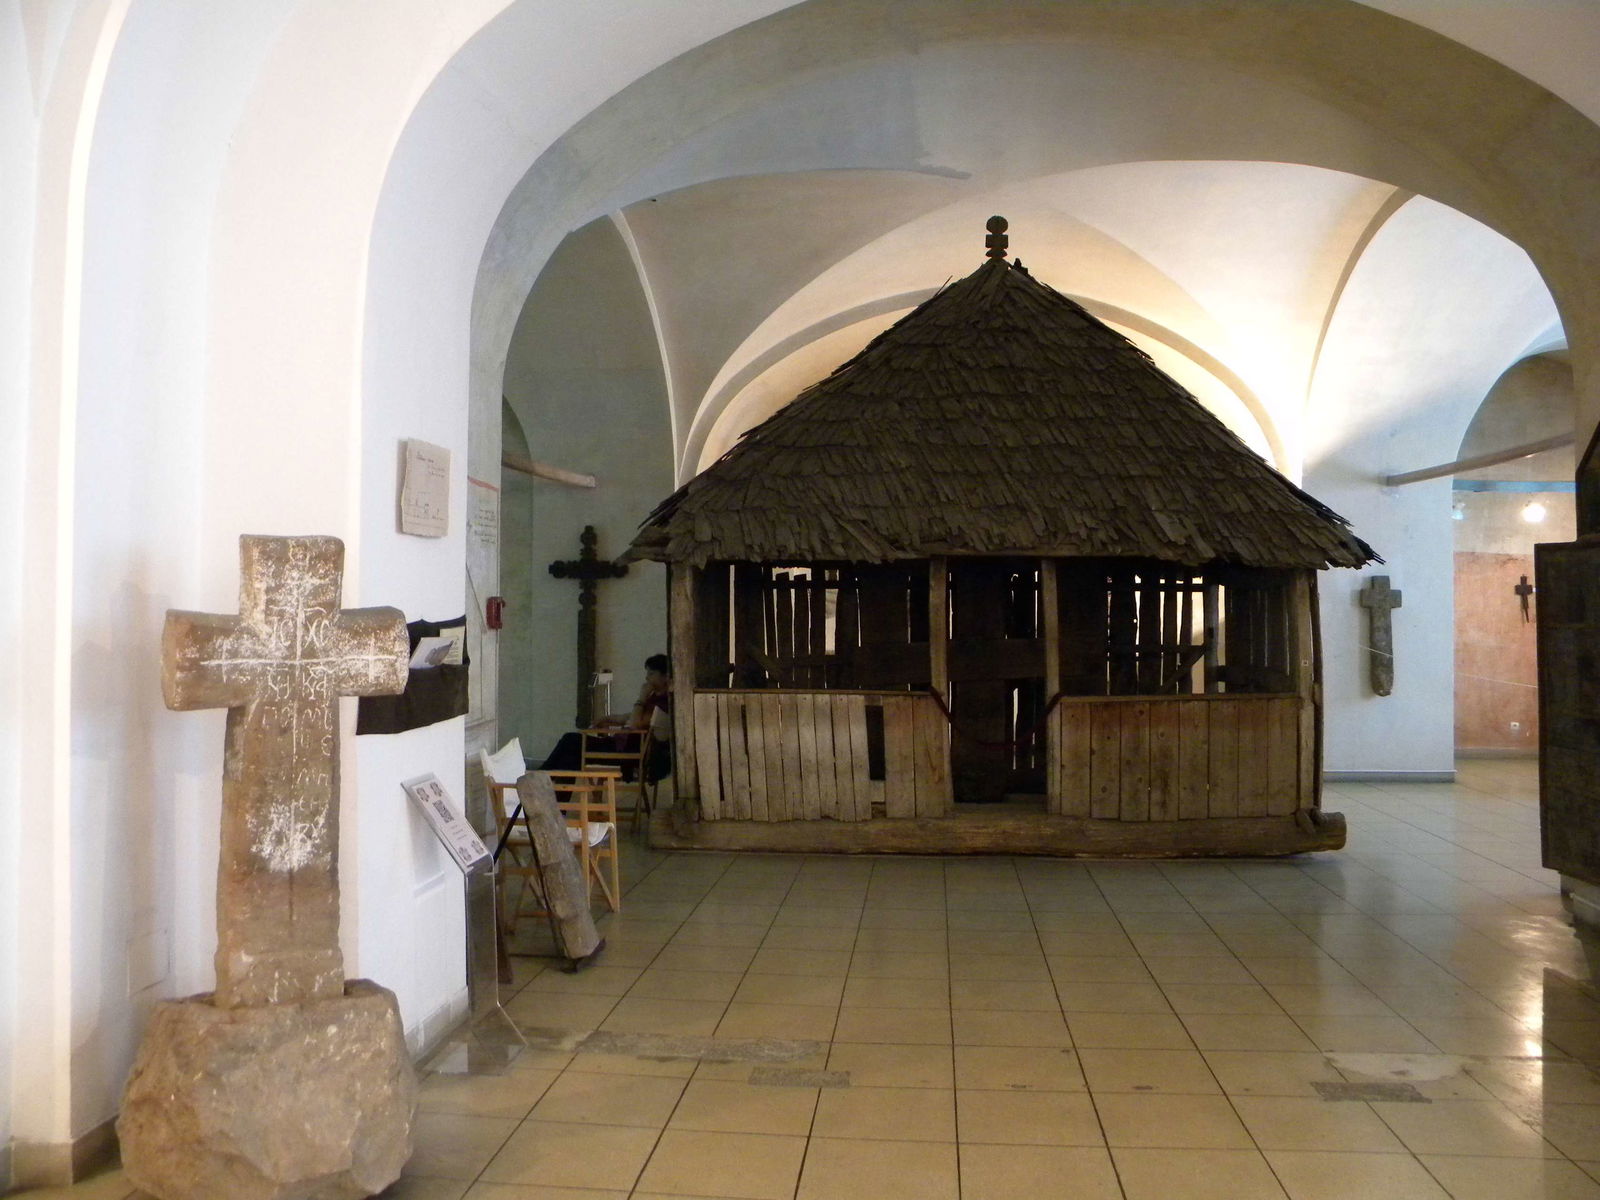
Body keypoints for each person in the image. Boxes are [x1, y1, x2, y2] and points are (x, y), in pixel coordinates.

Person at [539, 654, 672, 782]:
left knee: (570, 739)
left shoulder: (664, 703)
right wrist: (606, 719)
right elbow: (629, 716)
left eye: (651, 674)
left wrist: (641, 697)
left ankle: (538, 778)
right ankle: (554, 797)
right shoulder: (653, 698)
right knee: (570, 758)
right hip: (620, 745)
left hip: (628, 752)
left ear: (665, 676)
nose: (647, 678)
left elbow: (634, 724)